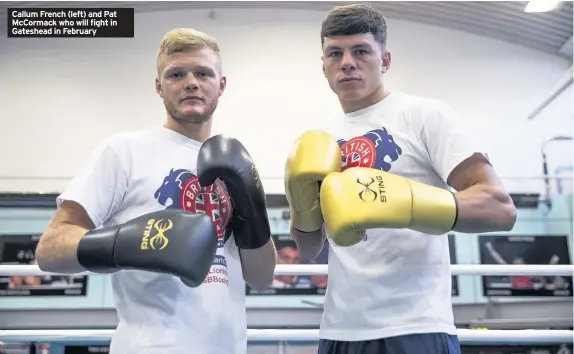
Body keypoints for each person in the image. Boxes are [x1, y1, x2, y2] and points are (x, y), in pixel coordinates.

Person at [284, 4, 517, 354]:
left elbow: (500, 208)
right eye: (335, 53)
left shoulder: (423, 116)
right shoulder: (318, 140)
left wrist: (407, 202)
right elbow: (309, 247)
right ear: (324, 66)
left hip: (417, 325)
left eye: (361, 51)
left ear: (385, 60)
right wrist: (301, 205)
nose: (347, 61)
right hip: (339, 331)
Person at [35, 28, 277, 354]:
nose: (191, 82)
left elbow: (262, 278)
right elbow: (49, 250)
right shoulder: (124, 152)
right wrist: (125, 243)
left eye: (203, 73)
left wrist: (254, 211)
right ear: (159, 87)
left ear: (221, 85)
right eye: (176, 74)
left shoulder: (234, 164)